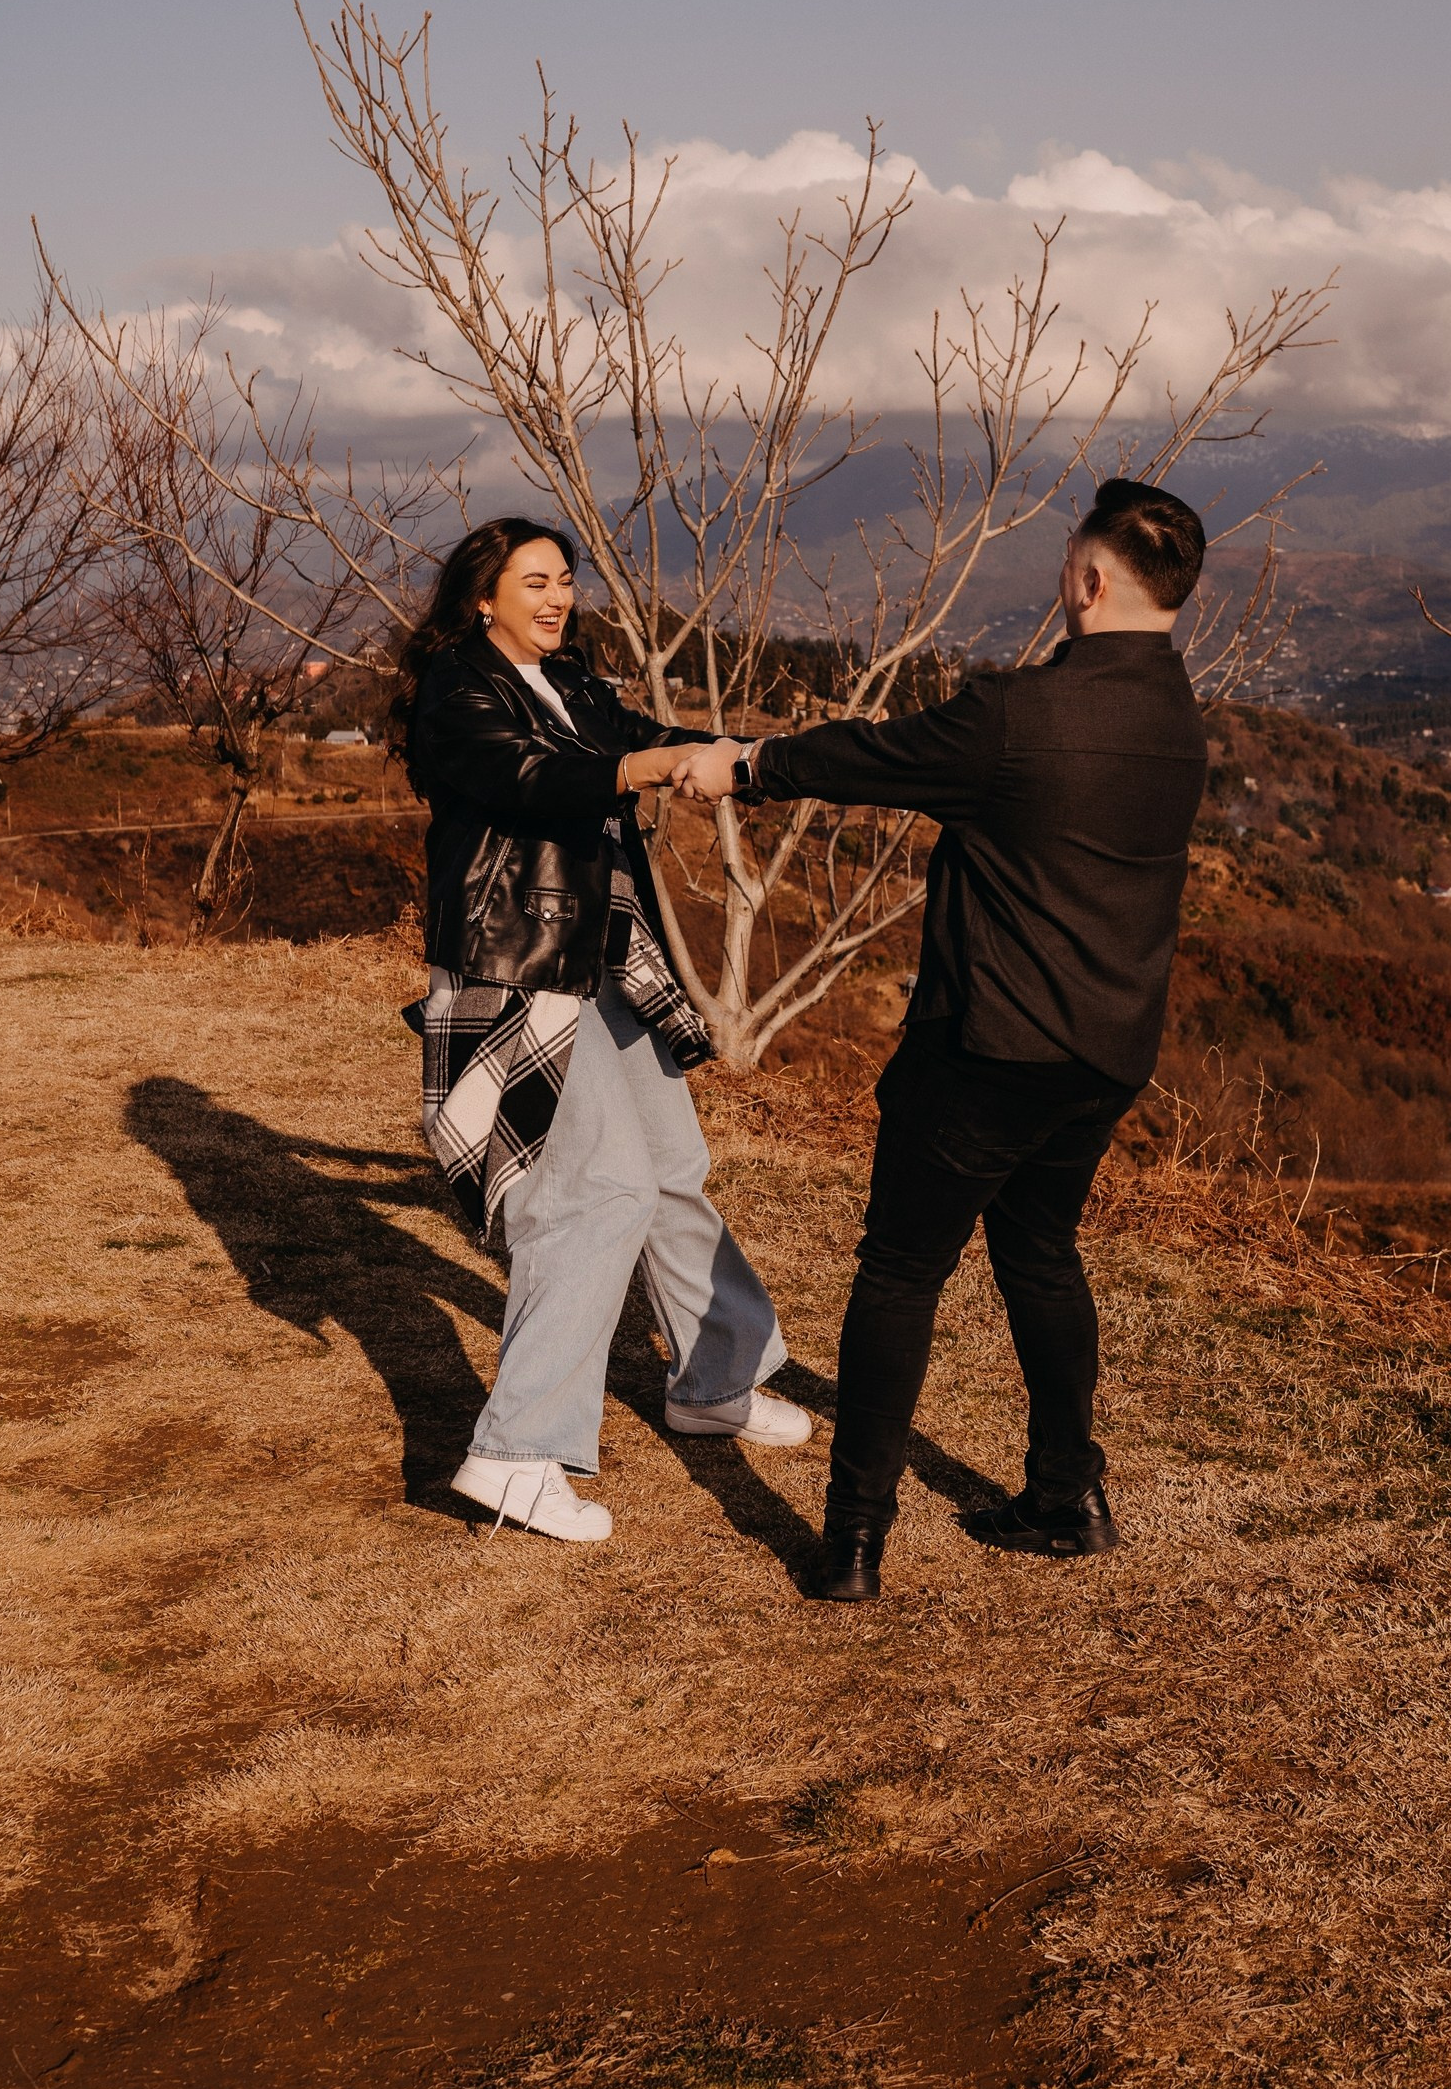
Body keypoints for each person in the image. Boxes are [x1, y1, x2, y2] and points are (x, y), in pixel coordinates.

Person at [668, 477, 1210, 1601]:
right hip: (1103, 1053)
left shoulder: (1020, 718)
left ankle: (853, 1542)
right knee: (1041, 1254)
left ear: (1087, 578)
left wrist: (743, 764)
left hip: (988, 1047)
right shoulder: (1178, 720)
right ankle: (1067, 1493)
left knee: (900, 1272)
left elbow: (867, 756)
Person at [398, 517, 810, 1545]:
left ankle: (714, 1379)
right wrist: (644, 768)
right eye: (530, 581)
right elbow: (526, 784)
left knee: (671, 1163)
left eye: (563, 580)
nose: (553, 596)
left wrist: (736, 755)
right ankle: (516, 1450)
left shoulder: (568, 685)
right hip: (517, 970)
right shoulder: (459, 689)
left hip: (600, 957)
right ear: (480, 597)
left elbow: (631, 739)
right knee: (599, 1191)